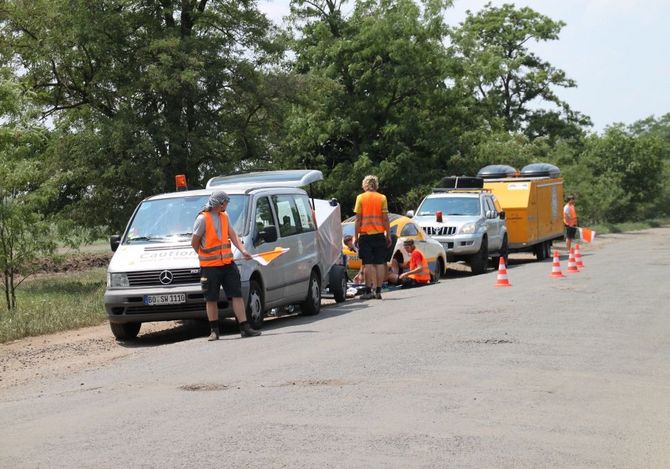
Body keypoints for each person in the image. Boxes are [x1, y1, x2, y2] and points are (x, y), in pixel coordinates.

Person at [191, 191, 261, 341]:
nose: (227, 205)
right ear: (220, 203)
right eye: (226, 202)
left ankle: (244, 327)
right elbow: (194, 242)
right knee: (211, 298)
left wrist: (243, 250)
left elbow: (233, 235)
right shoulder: (202, 219)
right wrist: (203, 254)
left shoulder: (225, 216)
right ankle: (214, 331)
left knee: (236, 294)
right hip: (210, 266)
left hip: (228, 264)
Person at [353, 175, 392, 300]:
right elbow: (385, 218)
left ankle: (368, 291)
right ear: (376, 185)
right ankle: (378, 290)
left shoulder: (360, 198)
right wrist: (388, 235)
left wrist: (356, 236)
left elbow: (358, 219)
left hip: (365, 235)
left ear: (365, 185)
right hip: (379, 234)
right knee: (380, 263)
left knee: (367, 263)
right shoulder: (382, 198)